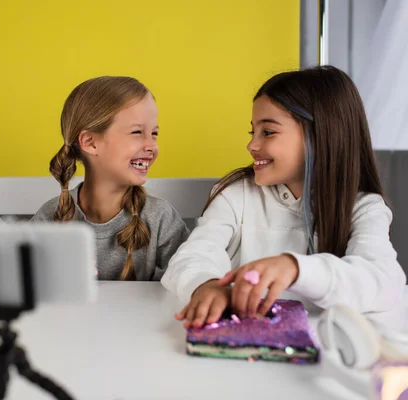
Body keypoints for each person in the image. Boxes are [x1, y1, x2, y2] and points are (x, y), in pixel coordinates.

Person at [161, 65, 406, 328]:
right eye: (252, 131)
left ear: (320, 135)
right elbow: (194, 255)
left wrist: (295, 268)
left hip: (327, 352)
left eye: (268, 132)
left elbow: (383, 281)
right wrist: (206, 285)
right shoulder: (236, 195)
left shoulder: (364, 208)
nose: (251, 145)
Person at [31, 76, 189, 281]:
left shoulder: (160, 219)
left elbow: (185, 283)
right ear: (90, 143)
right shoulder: (50, 217)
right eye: (137, 132)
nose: (151, 146)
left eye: (154, 133)